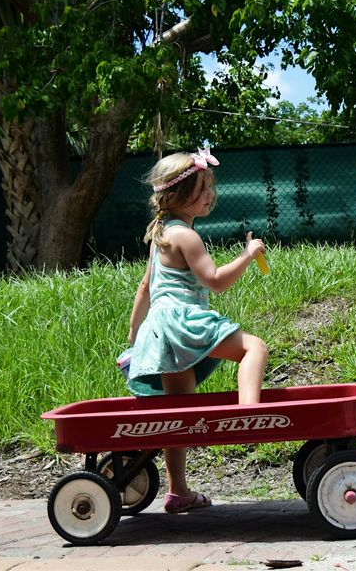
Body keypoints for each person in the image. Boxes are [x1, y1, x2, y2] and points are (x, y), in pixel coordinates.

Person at [124, 147, 269, 514]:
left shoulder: (161, 235)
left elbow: (145, 287)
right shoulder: (187, 237)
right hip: (182, 320)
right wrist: (249, 254)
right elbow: (216, 281)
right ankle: (249, 417)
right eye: (202, 189)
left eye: (208, 187)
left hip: (160, 329)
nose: (209, 195)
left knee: (179, 413)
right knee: (255, 348)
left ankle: (178, 491)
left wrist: (135, 332)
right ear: (178, 195)